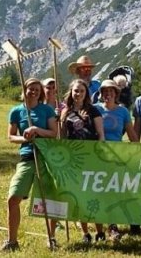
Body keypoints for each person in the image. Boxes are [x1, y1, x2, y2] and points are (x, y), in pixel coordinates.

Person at [0, 78, 59, 252]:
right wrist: (24, 138)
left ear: (40, 92)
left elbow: (53, 134)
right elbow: (11, 136)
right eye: (30, 89)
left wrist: (36, 131)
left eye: (37, 89)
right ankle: (12, 241)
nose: (33, 92)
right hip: (27, 158)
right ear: (24, 90)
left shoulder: (46, 110)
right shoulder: (16, 111)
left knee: (51, 199)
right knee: (13, 198)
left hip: (45, 158)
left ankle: (52, 238)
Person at [60, 79, 106, 244]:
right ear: (71, 92)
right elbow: (63, 137)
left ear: (86, 93)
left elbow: (101, 134)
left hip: (92, 160)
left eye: (81, 91)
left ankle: (100, 232)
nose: (78, 94)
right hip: (75, 161)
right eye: (75, 91)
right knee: (79, 196)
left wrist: (97, 153)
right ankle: (85, 233)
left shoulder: (94, 111)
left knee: (94, 195)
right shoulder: (66, 112)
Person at [94, 79, 139, 241]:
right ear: (101, 94)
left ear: (116, 93)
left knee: (116, 190)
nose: (108, 94)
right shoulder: (96, 109)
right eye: (105, 91)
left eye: (111, 91)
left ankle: (129, 222)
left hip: (118, 157)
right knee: (104, 192)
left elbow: (132, 134)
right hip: (99, 157)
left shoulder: (123, 111)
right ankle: (112, 227)